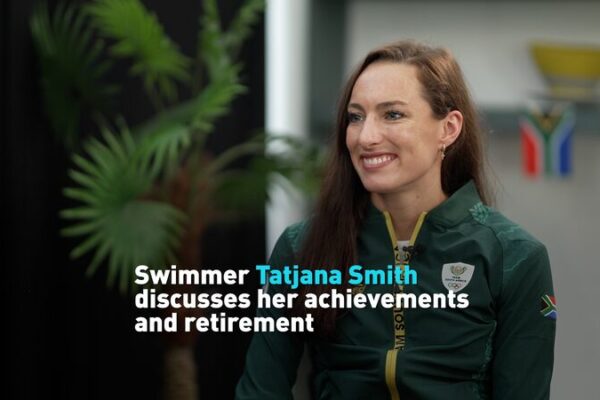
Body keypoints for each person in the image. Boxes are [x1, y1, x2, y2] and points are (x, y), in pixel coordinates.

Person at [235, 40, 556, 400]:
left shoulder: (515, 257)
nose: (366, 137)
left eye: (392, 115)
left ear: (448, 128)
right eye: (355, 117)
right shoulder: (301, 247)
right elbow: (260, 391)